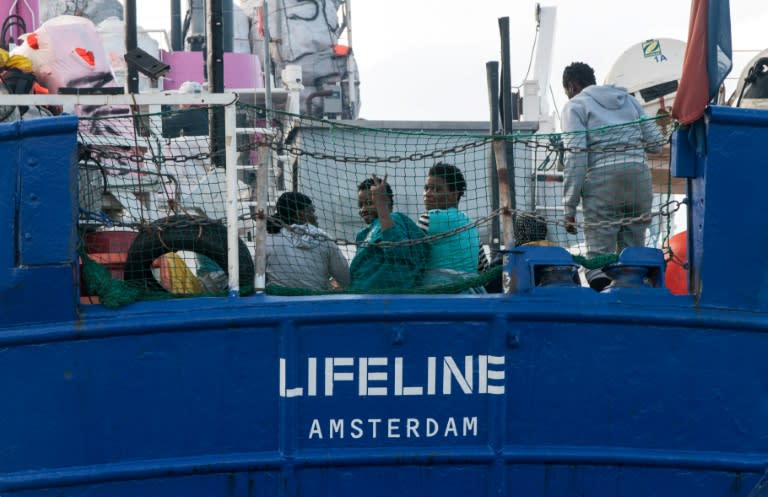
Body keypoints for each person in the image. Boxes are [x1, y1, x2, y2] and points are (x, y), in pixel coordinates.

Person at [560, 61, 664, 258]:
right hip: (639, 180)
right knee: (633, 259)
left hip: (602, 184)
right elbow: (656, 143)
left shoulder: (575, 105)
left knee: (600, 259)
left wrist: (569, 207)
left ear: (572, 86)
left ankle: (601, 282)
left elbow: (576, 156)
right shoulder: (628, 100)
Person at [350, 174, 429, 291]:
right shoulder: (362, 234)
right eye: (360, 205)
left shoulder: (395, 219)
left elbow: (398, 251)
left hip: (391, 298)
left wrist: (382, 209)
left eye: (369, 203)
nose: (363, 209)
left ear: (388, 204)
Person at [265, 192, 350, 291]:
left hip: (277, 303)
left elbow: (258, 278)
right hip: (317, 303)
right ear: (300, 215)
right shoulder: (323, 239)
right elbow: (345, 279)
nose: (316, 217)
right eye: (312, 212)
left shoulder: (267, 239)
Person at [417, 162, 481, 290]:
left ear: (454, 194)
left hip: (438, 296)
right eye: (426, 188)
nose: (428, 194)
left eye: (436, 189)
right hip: (474, 296)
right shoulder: (471, 224)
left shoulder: (429, 218)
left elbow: (412, 260)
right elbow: (483, 268)